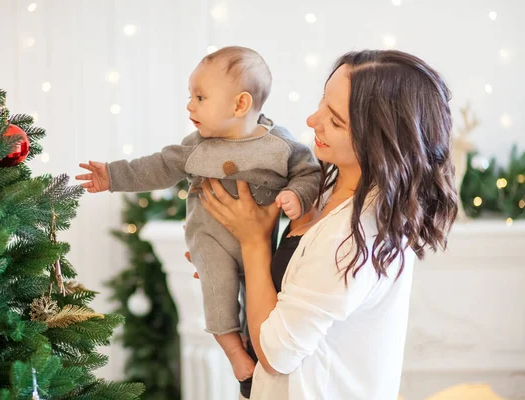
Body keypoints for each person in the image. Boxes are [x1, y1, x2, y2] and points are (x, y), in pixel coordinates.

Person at [198, 49, 458, 399]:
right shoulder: (328, 193)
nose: (311, 120)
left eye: (335, 120)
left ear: (379, 140)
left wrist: (253, 243)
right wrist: (231, 262)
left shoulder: (352, 235)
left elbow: (276, 354)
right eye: (323, 101)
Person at [75, 46, 321, 381]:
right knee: (217, 289)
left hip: (261, 244)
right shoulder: (197, 145)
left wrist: (297, 195)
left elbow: (309, 173)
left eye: (200, 97)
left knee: (265, 300)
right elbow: (158, 166)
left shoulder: (281, 146)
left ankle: (258, 347)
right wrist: (113, 175)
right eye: (191, 96)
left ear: (241, 104)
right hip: (210, 240)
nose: (190, 105)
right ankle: (234, 352)